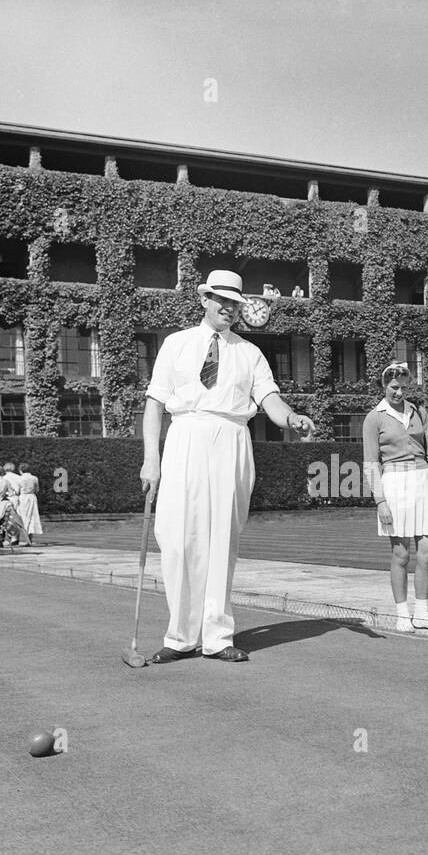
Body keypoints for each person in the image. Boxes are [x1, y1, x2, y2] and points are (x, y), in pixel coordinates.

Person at [140, 269, 315, 663]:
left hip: (232, 439)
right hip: (185, 436)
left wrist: (291, 419)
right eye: (220, 300)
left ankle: (217, 637)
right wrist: (152, 460)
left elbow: (270, 399)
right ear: (204, 299)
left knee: (222, 540)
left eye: (234, 302)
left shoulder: (249, 353)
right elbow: (154, 404)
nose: (227, 308)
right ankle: (181, 636)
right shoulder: (176, 344)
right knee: (177, 538)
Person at [363, 362, 428, 632]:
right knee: (400, 554)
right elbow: (370, 463)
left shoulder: (419, 412)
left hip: (422, 481)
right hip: (394, 485)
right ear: (384, 386)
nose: (399, 392)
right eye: (393, 387)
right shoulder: (374, 417)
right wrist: (380, 501)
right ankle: (402, 613)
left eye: (403, 387)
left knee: (427, 552)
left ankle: (422, 612)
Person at [15, 462, 42, 544]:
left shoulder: (19, 479)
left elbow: (17, 490)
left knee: (22, 517)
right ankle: (29, 537)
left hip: (23, 498)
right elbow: (37, 489)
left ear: (20, 470)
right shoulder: (34, 478)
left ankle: (25, 538)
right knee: (32, 517)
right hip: (32, 497)